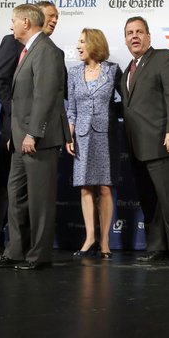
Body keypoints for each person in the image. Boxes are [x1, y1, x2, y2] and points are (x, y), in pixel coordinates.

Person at [0, 4, 70, 271]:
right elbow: (21, 99)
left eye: (13, 21)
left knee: (39, 200)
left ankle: (39, 256)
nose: (11, 26)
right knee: (16, 196)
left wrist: (33, 133)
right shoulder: (27, 50)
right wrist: (15, 133)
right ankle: (15, 252)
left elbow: (45, 96)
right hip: (20, 138)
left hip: (38, 139)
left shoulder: (47, 50)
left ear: (25, 21)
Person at [119, 16, 169, 265]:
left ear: (149, 36)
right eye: (130, 32)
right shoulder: (127, 71)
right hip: (139, 147)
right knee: (150, 202)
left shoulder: (165, 58)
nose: (134, 36)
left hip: (165, 144)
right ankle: (157, 246)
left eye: (139, 32)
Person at [65, 28, 122, 259]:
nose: (78, 46)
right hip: (81, 136)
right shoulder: (74, 72)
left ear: (94, 44)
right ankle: (89, 238)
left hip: (106, 134)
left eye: (82, 42)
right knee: (86, 187)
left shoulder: (113, 70)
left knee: (105, 187)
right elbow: (71, 109)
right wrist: (69, 135)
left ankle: (105, 240)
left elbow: (126, 102)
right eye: (77, 42)